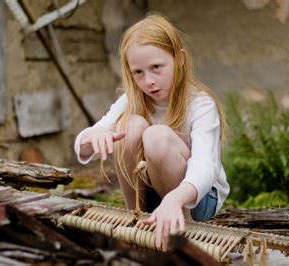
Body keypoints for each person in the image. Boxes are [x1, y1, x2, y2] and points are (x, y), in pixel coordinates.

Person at [74, 13, 229, 252]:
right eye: (138, 73)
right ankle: (134, 220)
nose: (148, 82)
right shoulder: (132, 100)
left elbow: (205, 167)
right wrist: (93, 137)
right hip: (154, 195)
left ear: (180, 60)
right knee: (128, 126)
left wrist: (176, 199)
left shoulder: (200, 104)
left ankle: (182, 231)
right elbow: (88, 141)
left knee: (157, 136)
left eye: (156, 68)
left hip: (195, 197)